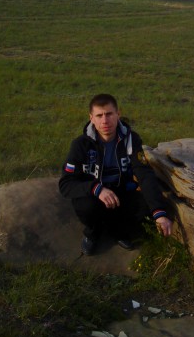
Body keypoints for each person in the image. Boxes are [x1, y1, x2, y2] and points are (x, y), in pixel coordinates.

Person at [59, 93, 173, 255]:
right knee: (86, 207)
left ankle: (118, 231)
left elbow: (144, 174)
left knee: (145, 206)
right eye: (99, 115)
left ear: (118, 114)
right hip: (94, 195)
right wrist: (96, 189)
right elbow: (66, 184)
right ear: (91, 118)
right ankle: (93, 233)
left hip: (120, 191)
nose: (105, 121)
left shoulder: (131, 139)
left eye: (109, 114)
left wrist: (159, 212)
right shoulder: (80, 145)